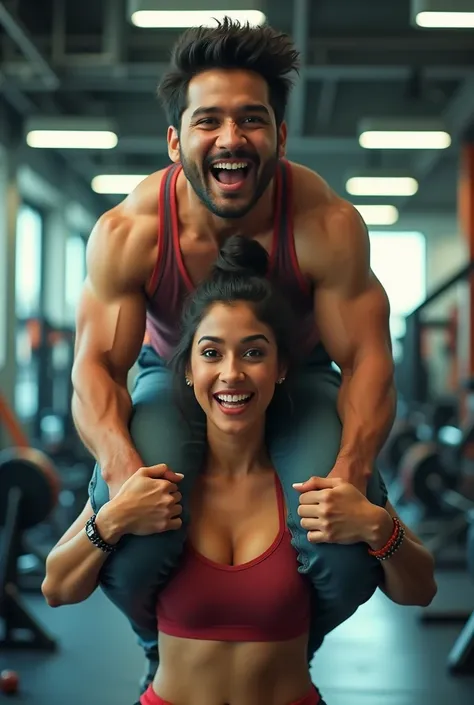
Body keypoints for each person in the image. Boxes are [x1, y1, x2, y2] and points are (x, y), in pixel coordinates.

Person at [70, 17, 399, 690]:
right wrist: (123, 471)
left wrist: (351, 472)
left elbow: (367, 359)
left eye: (252, 120)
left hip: (297, 374)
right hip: (177, 376)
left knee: (340, 551)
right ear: (175, 140)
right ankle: (160, 649)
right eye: (208, 121)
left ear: (279, 134)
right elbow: (97, 368)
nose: (230, 139)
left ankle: (287, 649)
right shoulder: (131, 232)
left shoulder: (325, 225)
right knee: (137, 537)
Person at [43, 237, 437, 705]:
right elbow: (57, 587)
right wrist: (111, 520)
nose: (232, 373)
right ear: (188, 369)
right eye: (211, 353)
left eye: (253, 353)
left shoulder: (317, 481)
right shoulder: (152, 480)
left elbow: (421, 590)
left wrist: (377, 525)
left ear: (281, 367)